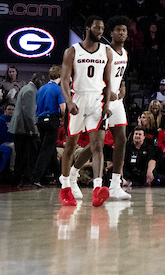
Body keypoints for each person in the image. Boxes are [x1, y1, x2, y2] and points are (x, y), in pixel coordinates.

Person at [58, 16, 116, 207]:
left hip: (97, 101)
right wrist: (68, 101)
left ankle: (97, 188)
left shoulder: (106, 51)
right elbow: (64, 80)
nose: (100, 31)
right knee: (70, 147)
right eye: (97, 28)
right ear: (87, 28)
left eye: (102, 29)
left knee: (98, 146)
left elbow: (108, 82)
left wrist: (106, 104)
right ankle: (65, 187)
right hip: (77, 99)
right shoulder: (72, 51)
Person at [103, 16, 131, 200]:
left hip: (117, 101)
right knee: (96, 144)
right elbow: (98, 77)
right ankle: (73, 173)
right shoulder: (105, 51)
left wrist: (121, 87)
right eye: (118, 30)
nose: (121, 33)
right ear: (111, 32)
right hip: (102, 100)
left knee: (121, 139)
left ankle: (115, 184)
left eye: (124, 30)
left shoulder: (125, 53)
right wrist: (107, 92)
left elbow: (118, 77)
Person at [29, 66, 65, 185]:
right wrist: (63, 118)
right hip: (51, 120)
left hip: (40, 120)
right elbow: (63, 108)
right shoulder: (58, 89)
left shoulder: (41, 89)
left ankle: (59, 176)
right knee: (46, 150)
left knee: (50, 149)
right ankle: (35, 177)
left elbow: (36, 106)